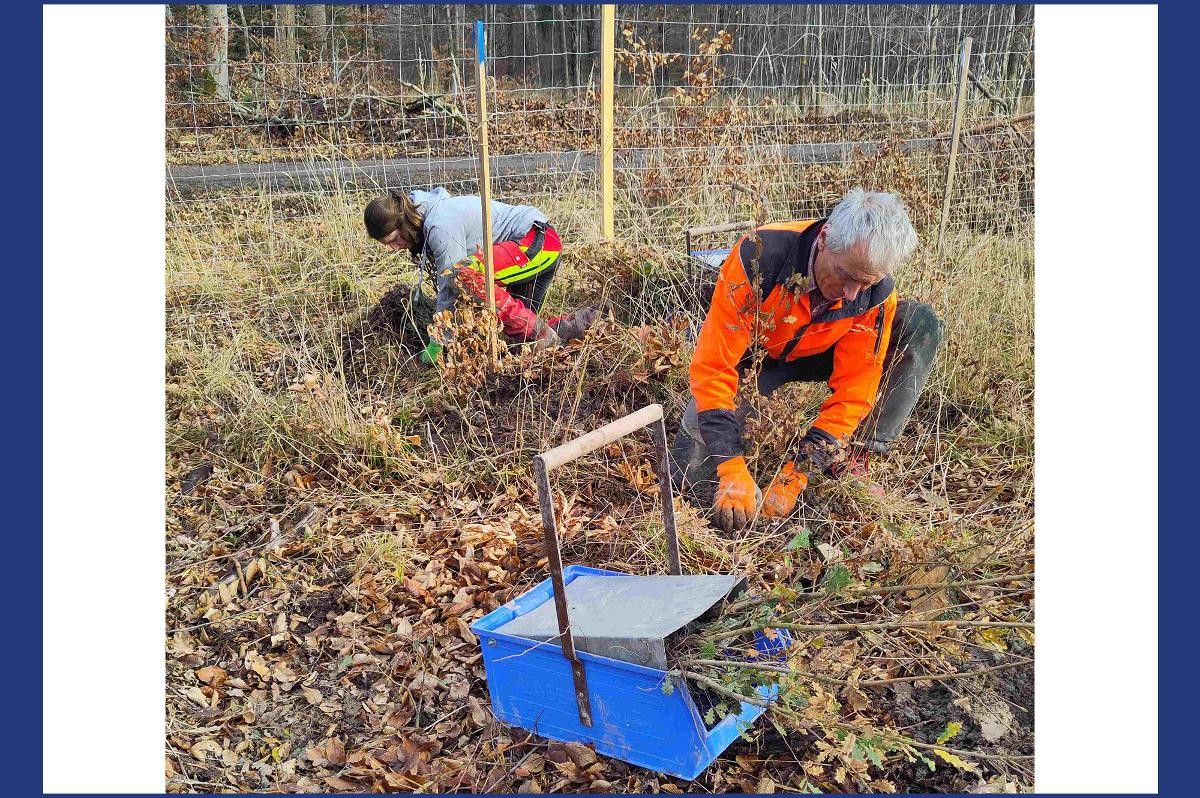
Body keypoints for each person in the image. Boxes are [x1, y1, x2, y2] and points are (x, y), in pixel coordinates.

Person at [670, 188, 943, 533]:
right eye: (847, 275)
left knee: (919, 322)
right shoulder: (759, 256)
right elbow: (715, 366)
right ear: (826, 238)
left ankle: (854, 455)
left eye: (866, 282)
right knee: (688, 477)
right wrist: (729, 464)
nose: (851, 294)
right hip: (757, 355)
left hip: (824, 352)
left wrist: (800, 470)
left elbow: (855, 389)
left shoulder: (875, 294)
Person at [363, 187, 598, 363]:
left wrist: (438, 340)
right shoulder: (424, 214)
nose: (394, 248)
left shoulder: (440, 226)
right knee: (519, 340)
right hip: (530, 247)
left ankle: (546, 335)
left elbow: (451, 284)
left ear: (403, 222)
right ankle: (590, 321)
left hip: (536, 243)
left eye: (394, 240)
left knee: (463, 276)